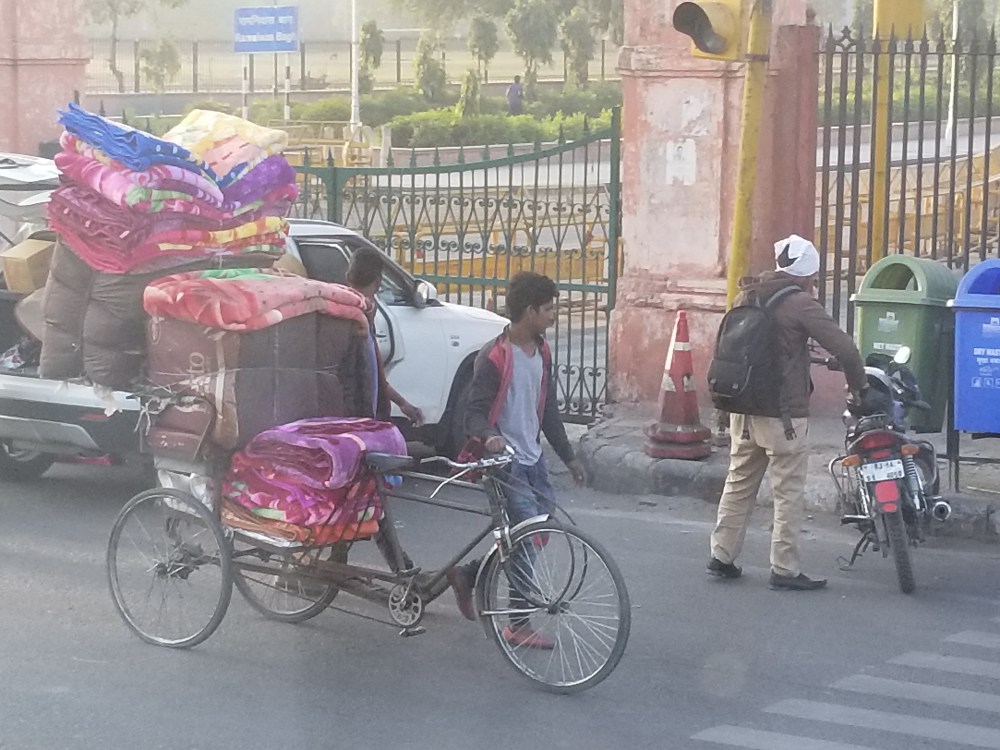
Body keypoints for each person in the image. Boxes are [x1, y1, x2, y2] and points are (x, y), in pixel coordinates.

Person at [708, 235, 868, 591]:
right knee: (788, 493)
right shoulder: (800, 304)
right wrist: (859, 386)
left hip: (743, 410)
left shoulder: (747, 294)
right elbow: (844, 348)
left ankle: (722, 555)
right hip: (784, 418)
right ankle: (785, 568)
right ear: (808, 275)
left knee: (738, 483)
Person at [446, 272, 587, 648]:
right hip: (505, 465)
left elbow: (549, 411)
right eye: (548, 309)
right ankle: (518, 623)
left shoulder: (542, 352)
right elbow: (473, 414)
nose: (553, 315)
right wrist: (490, 437)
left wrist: (569, 457)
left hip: (533, 458)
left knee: (537, 533)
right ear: (529, 312)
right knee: (524, 537)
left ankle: (471, 574)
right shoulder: (493, 357)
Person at [346, 247, 423, 427]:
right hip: (360, 423)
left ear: (347, 277)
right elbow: (367, 379)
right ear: (379, 282)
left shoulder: (341, 318)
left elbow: (376, 379)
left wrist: (402, 403)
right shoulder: (357, 327)